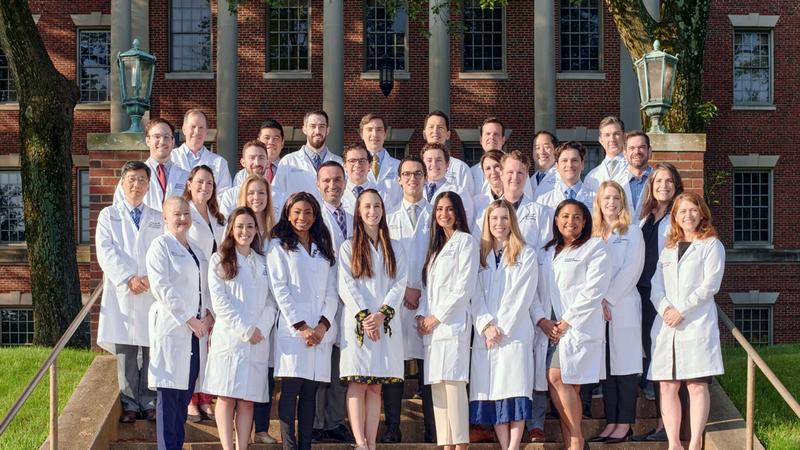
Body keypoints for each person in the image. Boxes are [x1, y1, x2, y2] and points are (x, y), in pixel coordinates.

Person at [650, 192, 725, 450]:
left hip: (695, 323)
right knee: (668, 386)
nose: (688, 215)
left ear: (702, 212)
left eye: (693, 210)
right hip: (667, 325)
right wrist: (665, 309)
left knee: (696, 386)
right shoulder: (669, 248)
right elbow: (655, 286)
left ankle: (694, 443)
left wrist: (680, 309)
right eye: (682, 211)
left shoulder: (712, 245)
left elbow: (709, 286)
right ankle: (674, 443)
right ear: (675, 217)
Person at [533, 199, 610, 450]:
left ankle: (576, 438)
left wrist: (567, 322)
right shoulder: (545, 251)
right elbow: (532, 289)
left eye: (577, 217)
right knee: (567, 386)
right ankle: (574, 444)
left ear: (585, 221)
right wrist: (542, 319)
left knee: (557, 377)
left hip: (577, 327)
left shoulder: (595, 247)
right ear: (556, 220)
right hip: (549, 327)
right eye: (565, 216)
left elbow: (594, 290)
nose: (570, 221)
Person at [267, 192, 339, 450]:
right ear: (288, 214)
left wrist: (322, 326)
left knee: (310, 394)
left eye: (308, 212)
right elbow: (280, 288)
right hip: (294, 331)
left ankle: (305, 445)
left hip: (319, 332)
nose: (302, 217)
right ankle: (289, 445)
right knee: (290, 392)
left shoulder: (323, 247)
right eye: (297, 212)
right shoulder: (278, 246)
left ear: (315, 215)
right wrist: (302, 327)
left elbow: (332, 289)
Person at [338, 189, 408, 450]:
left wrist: (382, 314)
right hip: (359, 325)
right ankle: (360, 442)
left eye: (377, 206)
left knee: (376, 385)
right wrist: (367, 317)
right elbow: (346, 285)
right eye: (367, 206)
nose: (372, 211)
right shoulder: (348, 246)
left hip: (385, 324)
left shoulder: (395, 247)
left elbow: (400, 283)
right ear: (358, 210)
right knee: (358, 382)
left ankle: (372, 441)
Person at [203, 207, 278, 450]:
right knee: (226, 396)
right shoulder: (219, 259)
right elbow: (220, 302)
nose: (244, 231)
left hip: (258, 340)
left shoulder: (263, 262)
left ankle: (242, 446)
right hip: (231, 339)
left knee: (248, 400)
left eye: (249, 226)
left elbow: (271, 300)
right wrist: (246, 329)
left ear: (257, 230)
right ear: (231, 229)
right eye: (239, 226)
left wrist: (262, 328)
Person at [96, 161, 163, 423]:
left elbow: (162, 251)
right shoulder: (108, 215)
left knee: (150, 348)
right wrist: (128, 278)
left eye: (142, 180)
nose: (136, 185)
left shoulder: (158, 217)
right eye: (131, 179)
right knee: (125, 349)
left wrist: (149, 277)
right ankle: (130, 403)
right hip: (122, 290)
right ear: (122, 183)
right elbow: (106, 250)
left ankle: (149, 400)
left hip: (149, 289)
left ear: (149, 185)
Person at [470, 200, 537, 450]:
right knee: (495, 393)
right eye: (494, 219)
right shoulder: (480, 254)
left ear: (512, 222)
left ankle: (514, 446)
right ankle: (504, 445)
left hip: (513, 334)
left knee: (515, 390)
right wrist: (487, 325)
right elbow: (473, 293)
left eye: (504, 218)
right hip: (487, 335)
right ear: (487, 222)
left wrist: (500, 328)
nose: (499, 223)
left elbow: (522, 295)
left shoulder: (526, 253)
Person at [147, 196, 213, 450]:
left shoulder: (197, 250)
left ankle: (176, 445)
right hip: (174, 328)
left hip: (197, 333)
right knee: (169, 398)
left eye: (186, 213)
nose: (183, 218)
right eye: (176, 214)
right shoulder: (160, 246)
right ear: (165, 218)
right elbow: (162, 287)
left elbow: (206, 289)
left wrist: (209, 316)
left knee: (185, 395)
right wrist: (190, 319)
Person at [416, 192, 479, 450]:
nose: (444, 214)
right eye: (439, 209)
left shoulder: (466, 242)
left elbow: (464, 288)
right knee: (438, 389)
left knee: (453, 386)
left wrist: (436, 317)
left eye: (449, 209)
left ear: (459, 212)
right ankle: (446, 444)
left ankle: (460, 444)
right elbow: (428, 288)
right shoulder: (436, 246)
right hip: (433, 330)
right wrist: (422, 314)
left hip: (451, 325)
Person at [587, 181, 645, 443]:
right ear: (598, 202)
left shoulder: (633, 232)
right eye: (606, 198)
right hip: (598, 309)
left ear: (623, 202)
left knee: (625, 367)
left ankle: (625, 423)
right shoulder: (592, 234)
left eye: (616, 198)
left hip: (622, 306)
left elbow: (633, 269)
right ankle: (611, 422)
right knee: (607, 369)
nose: (611, 202)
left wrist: (608, 298)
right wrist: (598, 300)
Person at [385, 156, 436, 443]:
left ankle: (432, 429)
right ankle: (393, 427)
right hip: (398, 299)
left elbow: (439, 263)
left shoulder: (436, 216)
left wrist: (424, 296)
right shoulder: (389, 218)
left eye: (418, 173)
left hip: (428, 300)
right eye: (407, 174)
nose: (412, 179)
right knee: (395, 368)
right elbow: (386, 262)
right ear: (398, 179)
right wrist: (403, 290)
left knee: (428, 369)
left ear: (425, 178)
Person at [632, 163, 685, 443]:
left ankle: (666, 426)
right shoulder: (647, 216)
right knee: (649, 349)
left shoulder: (679, 216)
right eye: (658, 181)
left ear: (676, 184)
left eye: (669, 181)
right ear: (650, 187)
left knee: (663, 356)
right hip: (642, 291)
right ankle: (660, 419)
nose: (663, 185)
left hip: (665, 295)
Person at [312, 160, 354, 443]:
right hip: (321, 300)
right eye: (326, 180)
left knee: (341, 365)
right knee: (319, 363)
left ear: (345, 182)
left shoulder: (354, 218)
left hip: (348, 300)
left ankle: (335, 421)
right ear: (317, 185)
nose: (332, 185)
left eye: (337, 179)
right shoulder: (311, 220)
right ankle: (316, 422)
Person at [183, 164, 226, 422]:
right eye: (199, 182)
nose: (204, 187)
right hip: (192, 287)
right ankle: (190, 399)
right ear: (189, 184)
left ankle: (206, 397)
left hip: (215, 287)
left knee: (209, 349)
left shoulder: (218, 216)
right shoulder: (184, 213)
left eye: (209, 183)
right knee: (192, 348)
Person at [113, 118, 189, 211]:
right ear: (148, 141)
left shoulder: (186, 176)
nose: (162, 141)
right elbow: (118, 210)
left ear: (172, 142)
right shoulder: (130, 177)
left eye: (166, 136)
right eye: (157, 136)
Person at [273, 110, 343, 198]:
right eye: (312, 126)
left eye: (322, 126)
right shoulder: (288, 162)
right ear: (304, 129)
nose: (317, 131)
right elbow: (276, 196)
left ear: (327, 130)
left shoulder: (340, 163)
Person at [170, 109, 232, 192]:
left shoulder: (220, 163)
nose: (197, 131)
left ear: (206, 131)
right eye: (193, 126)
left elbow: (223, 196)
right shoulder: (170, 158)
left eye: (201, 127)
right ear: (184, 129)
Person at [220, 140, 285, 217]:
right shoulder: (230, 196)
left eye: (261, 158)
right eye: (252, 158)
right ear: (243, 162)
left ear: (267, 163)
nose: (257, 163)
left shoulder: (279, 196)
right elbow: (224, 227)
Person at [422, 111, 475, 197]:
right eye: (431, 127)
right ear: (424, 134)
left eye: (440, 127)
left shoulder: (461, 168)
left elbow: (468, 202)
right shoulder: (416, 166)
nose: (435, 131)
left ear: (448, 134)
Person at [422, 142, 475, 223]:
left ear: (447, 165)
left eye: (438, 160)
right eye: (429, 160)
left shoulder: (459, 192)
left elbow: (466, 220)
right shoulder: (415, 189)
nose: (434, 164)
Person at [537, 141, 596, 212]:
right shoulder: (543, 201)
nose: (570, 165)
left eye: (574, 160)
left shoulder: (596, 198)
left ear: (582, 164)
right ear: (557, 166)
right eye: (564, 160)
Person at [360, 113, 402, 209]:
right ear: (362, 134)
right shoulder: (351, 167)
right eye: (369, 129)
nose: (374, 134)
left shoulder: (399, 166)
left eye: (379, 129)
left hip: (391, 221)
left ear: (385, 134)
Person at [233, 119, 284, 185]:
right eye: (267, 138)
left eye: (276, 138)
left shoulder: (289, 171)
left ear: (282, 143)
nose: (271, 142)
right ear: (258, 141)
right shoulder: (241, 176)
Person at [585, 116, 627, 189]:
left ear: (624, 137)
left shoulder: (634, 169)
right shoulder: (592, 176)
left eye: (616, 134)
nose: (612, 139)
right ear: (601, 140)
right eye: (607, 135)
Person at [620, 130, 653, 221]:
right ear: (625, 154)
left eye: (642, 147)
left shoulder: (660, 181)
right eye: (632, 148)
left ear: (649, 151)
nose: (637, 151)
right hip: (624, 233)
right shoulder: (616, 181)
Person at [341, 144, 378, 215]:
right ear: (345, 166)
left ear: (369, 165)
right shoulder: (337, 192)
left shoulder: (380, 193)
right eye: (352, 161)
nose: (357, 165)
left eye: (362, 160)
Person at [471, 150, 505, 216]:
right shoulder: (476, 203)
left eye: (497, 166)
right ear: (484, 173)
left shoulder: (516, 201)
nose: (493, 172)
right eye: (488, 168)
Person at [530, 130, 559, 201]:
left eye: (546, 147)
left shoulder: (562, 177)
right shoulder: (531, 180)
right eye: (537, 148)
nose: (541, 152)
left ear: (556, 150)